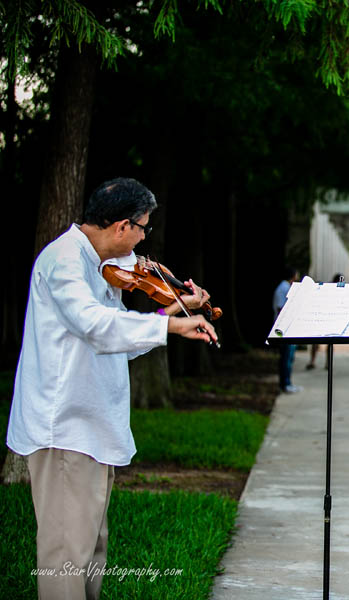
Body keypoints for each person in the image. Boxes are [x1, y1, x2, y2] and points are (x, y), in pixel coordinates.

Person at [6, 177, 217, 600]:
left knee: (89, 551)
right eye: (143, 228)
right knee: (66, 555)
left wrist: (169, 313)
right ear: (122, 226)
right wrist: (169, 324)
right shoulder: (64, 261)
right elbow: (95, 326)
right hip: (64, 428)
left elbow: (115, 341)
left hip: (91, 426)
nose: (144, 238)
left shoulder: (103, 268)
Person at [307, 273, 343, 370]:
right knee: (329, 343)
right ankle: (327, 363)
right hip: (328, 319)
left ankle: (313, 361)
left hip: (321, 318)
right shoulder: (338, 291)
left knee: (316, 343)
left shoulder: (328, 288)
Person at [273, 266, 300, 393]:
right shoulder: (283, 288)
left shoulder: (285, 287)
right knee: (286, 357)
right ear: (293, 275)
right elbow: (280, 308)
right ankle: (285, 384)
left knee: (288, 357)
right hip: (284, 330)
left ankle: (286, 382)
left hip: (288, 328)